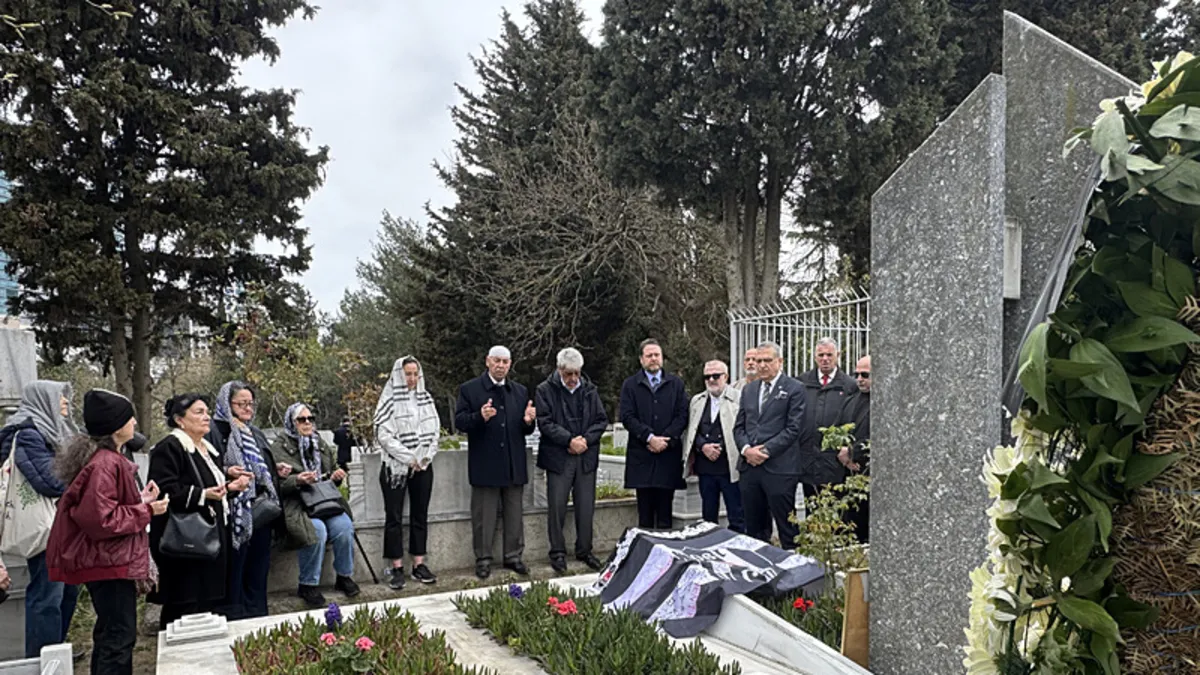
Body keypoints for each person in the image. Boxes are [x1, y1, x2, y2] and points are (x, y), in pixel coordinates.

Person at [48, 389, 168, 675]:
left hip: (105, 561)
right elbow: (102, 520)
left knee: (110, 634)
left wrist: (141, 499)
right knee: (118, 637)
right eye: (130, 418)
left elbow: (103, 508)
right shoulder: (105, 464)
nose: (135, 423)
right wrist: (147, 511)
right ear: (116, 425)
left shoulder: (103, 459)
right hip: (108, 562)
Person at [149, 393, 245, 630]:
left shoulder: (207, 449)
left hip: (210, 535)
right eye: (198, 412)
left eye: (206, 411)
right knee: (184, 603)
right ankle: (176, 659)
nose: (206, 417)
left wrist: (231, 488)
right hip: (184, 540)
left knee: (206, 601)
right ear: (180, 420)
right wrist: (203, 495)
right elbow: (164, 490)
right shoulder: (169, 447)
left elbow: (212, 491)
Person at [0, 380, 80, 657]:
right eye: (60, 397)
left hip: (63, 523)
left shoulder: (55, 431)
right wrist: (81, 479)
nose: (65, 403)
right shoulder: (26, 434)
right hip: (45, 527)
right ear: (43, 400)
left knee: (67, 592)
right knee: (47, 595)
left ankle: (55, 651)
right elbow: (50, 481)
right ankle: (41, 658)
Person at [454, 345, 536, 580]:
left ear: (510, 364)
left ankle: (513, 556)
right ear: (487, 362)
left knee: (514, 515)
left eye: (505, 362)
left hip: (513, 463)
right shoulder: (470, 389)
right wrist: (479, 417)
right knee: (484, 517)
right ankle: (483, 559)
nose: (501, 365)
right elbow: (460, 421)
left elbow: (524, 429)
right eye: (497, 361)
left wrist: (528, 421)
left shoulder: (519, 391)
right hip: (485, 464)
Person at [273, 402, 359, 608]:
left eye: (310, 419)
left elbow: (329, 474)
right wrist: (298, 480)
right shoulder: (279, 447)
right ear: (291, 422)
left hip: (324, 501)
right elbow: (276, 484)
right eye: (302, 419)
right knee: (316, 530)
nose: (307, 423)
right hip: (297, 503)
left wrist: (336, 477)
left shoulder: (318, 442)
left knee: (344, 527)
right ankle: (308, 584)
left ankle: (344, 577)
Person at [206, 381, 280, 620]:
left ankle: (258, 615)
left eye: (250, 403)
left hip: (260, 510)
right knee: (235, 570)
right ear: (227, 404)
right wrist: (228, 472)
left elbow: (263, 464)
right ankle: (235, 617)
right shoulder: (214, 431)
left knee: (258, 570)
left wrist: (272, 470)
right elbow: (207, 467)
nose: (248, 408)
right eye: (241, 403)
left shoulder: (253, 431)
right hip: (233, 510)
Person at [535, 347, 608, 573]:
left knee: (586, 507)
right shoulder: (545, 390)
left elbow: (600, 420)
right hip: (559, 457)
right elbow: (545, 422)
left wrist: (585, 440)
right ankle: (557, 552)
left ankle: (584, 550)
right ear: (559, 370)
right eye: (568, 374)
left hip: (585, 457)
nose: (573, 379)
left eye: (577, 373)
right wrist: (569, 441)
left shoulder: (589, 390)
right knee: (557, 507)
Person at [374, 356, 441, 590]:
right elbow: (384, 436)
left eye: (415, 374)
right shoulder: (390, 400)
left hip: (422, 466)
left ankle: (419, 564)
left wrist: (424, 457)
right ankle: (396, 567)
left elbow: (434, 431)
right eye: (407, 374)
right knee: (394, 517)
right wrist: (408, 458)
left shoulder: (426, 398)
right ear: (399, 375)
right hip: (396, 467)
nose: (411, 378)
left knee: (419, 514)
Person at [734, 342, 808, 547]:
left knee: (787, 526)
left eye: (767, 360)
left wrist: (765, 451)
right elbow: (739, 427)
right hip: (750, 468)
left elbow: (794, 429)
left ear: (780, 362)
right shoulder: (749, 390)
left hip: (780, 469)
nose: (762, 365)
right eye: (758, 361)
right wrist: (746, 450)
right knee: (754, 527)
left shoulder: (795, 388)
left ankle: (793, 568)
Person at [619, 339, 688, 529]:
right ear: (641, 360)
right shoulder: (630, 385)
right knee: (645, 517)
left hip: (668, 456)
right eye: (649, 355)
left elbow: (682, 415)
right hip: (642, 456)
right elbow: (627, 416)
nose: (653, 359)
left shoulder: (676, 384)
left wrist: (666, 439)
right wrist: (649, 437)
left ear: (663, 358)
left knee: (666, 516)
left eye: (657, 355)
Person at [682, 359, 744, 533]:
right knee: (708, 516)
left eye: (716, 376)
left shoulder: (738, 398)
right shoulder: (697, 401)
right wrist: (703, 447)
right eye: (707, 376)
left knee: (737, 514)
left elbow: (742, 427)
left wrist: (720, 447)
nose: (711, 380)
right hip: (706, 467)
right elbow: (691, 430)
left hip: (730, 466)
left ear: (726, 376)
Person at [797, 337, 858, 496]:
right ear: (815, 356)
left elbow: (856, 420)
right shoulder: (802, 383)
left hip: (836, 462)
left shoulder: (850, 385)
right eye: (821, 355)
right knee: (811, 508)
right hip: (808, 461)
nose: (825, 359)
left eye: (829, 355)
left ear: (838, 355)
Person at [839, 355, 871, 542]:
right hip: (849, 474)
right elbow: (838, 429)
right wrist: (845, 455)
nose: (859, 379)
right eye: (856, 374)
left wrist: (852, 452)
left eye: (865, 375)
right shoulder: (850, 400)